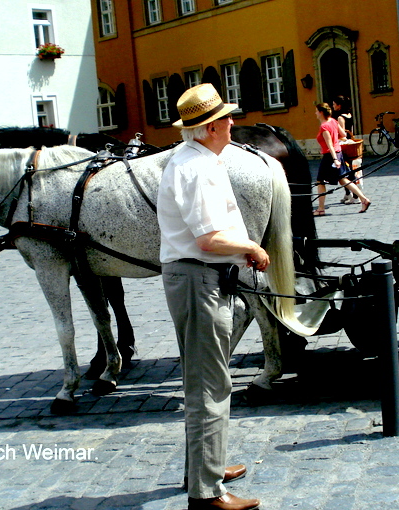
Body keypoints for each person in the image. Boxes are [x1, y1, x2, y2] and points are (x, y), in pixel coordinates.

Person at [157, 83, 264, 510]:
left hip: (198, 278)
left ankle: (206, 467)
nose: (233, 123)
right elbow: (209, 238)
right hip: (199, 278)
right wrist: (252, 249)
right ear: (211, 127)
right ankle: (207, 494)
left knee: (204, 381)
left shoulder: (196, 159)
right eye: (227, 118)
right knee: (210, 386)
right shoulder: (198, 168)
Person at [313, 102, 371, 215]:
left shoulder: (324, 126)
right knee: (343, 180)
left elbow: (329, 145)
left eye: (316, 111)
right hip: (338, 152)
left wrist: (335, 159)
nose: (315, 113)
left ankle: (320, 209)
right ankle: (364, 199)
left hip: (330, 156)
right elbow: (343, 135)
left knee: (320, 181)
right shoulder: (333, 121)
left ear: (321, 112)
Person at [332, 95, 362, 204]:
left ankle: (354, 196)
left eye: (334, 104)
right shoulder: (349, 115)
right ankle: (348, 194)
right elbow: (351, 131)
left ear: (339, 106)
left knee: (345, 172)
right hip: (351, 144)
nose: (333, 106)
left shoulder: (340, 117)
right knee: (346, 171)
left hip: (343, 145)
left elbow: (342, 134)